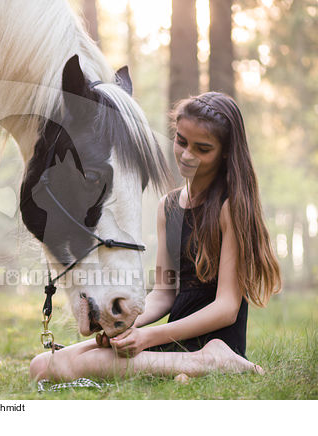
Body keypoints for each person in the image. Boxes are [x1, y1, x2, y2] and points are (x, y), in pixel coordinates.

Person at [30, 92, 281, 381]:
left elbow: (226, 309)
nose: (187, 155)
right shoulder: (169, 206)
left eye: (202, 149)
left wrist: (148, 337)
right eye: (182, 141)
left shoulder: (230, 207)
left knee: (72, 367)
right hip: (173, 340)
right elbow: (164, 293)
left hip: (217, 341)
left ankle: (215, 361)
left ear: (225, 152)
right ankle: (190, 364)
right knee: (42, 365)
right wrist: (123, 325)